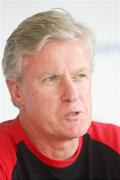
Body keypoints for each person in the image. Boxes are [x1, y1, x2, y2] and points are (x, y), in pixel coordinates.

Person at [0, 8, 120, 180]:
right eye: (51, 79)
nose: (72, 94)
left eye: (80, 76)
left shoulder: (116, 143)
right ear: (17, 92)